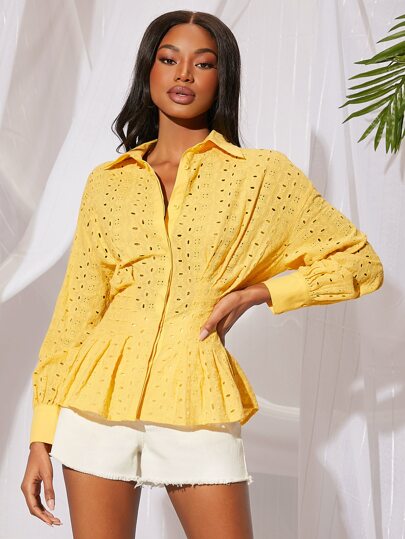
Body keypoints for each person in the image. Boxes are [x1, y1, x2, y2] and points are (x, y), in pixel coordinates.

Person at [20, 9, 384, 539]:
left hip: (196, 392)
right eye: (169, 59)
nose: (184, 74)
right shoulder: (108, 182)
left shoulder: (260, 175)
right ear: (149, 71)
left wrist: (260, 292)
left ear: (222, 76)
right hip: (95, 401)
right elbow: (76, 313)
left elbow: (359, 262)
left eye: (203, 63)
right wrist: (41, 435)